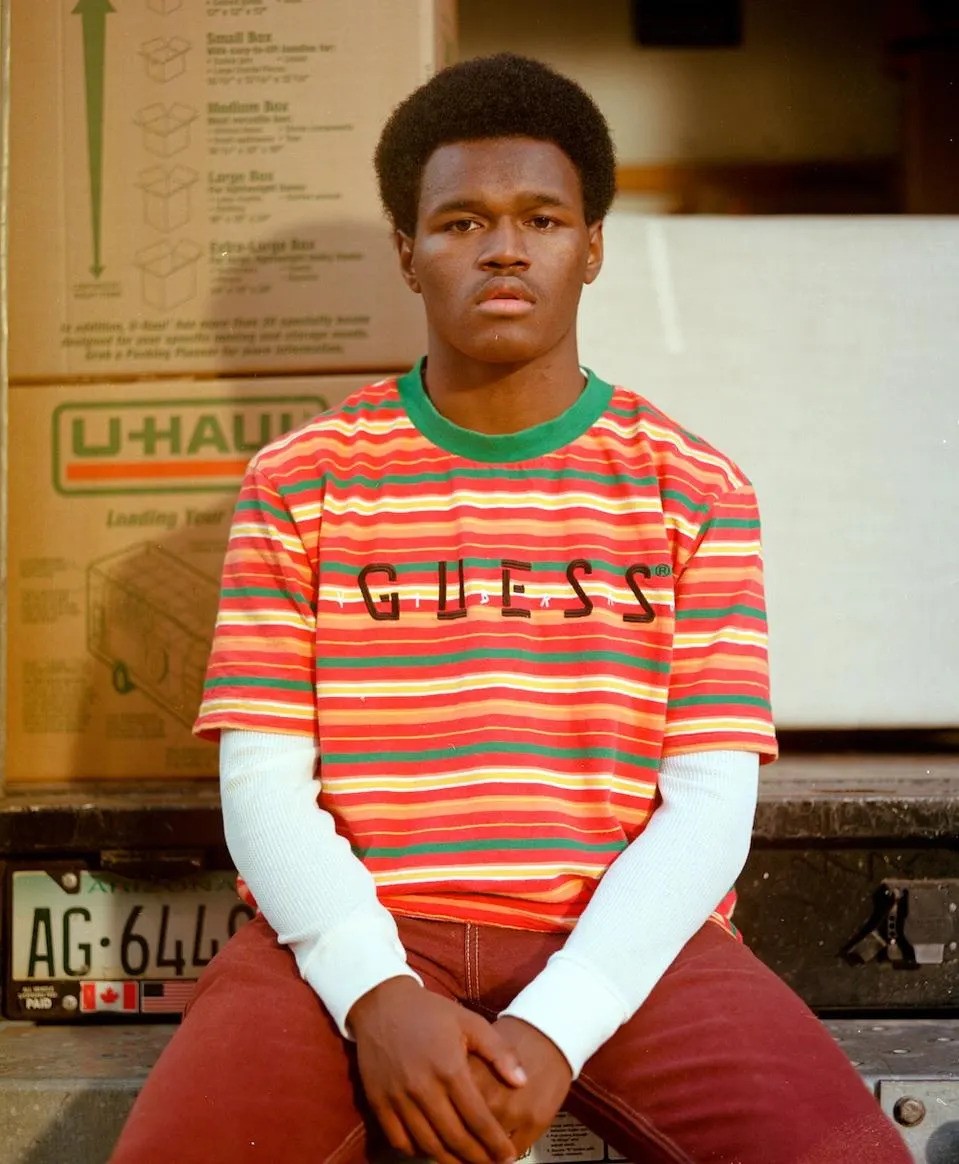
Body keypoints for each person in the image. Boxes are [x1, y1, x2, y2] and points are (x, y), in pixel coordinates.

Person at [111, 54, 910, 1164]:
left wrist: (559, 1021)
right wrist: (373, 994)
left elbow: (709, 803)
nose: (501, 246)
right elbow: (260, 787)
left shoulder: (693, 487)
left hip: (620, 939)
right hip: (358, 934)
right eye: (459, 221)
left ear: (589, 248)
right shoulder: (301, 481)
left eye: (540, 217)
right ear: (406, 253)